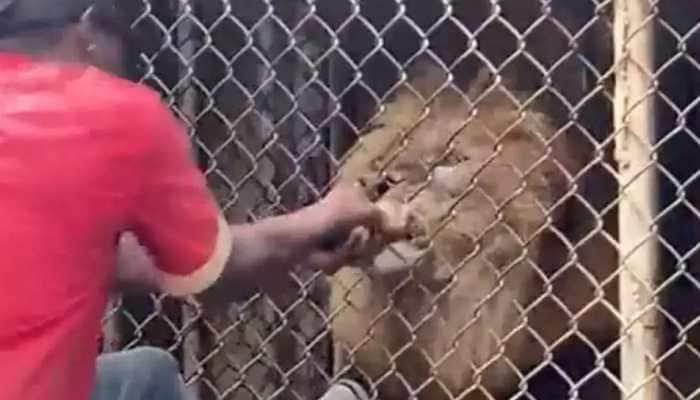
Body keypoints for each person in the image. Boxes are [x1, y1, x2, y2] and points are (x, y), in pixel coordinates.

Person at [0, 1, 405, 399]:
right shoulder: (111, 111)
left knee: (145, 374)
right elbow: (216, 274)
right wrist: (323, 217)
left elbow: (75, 249)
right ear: (87, 31)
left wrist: (295, 249)